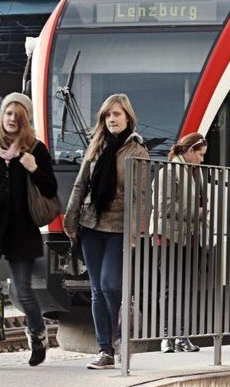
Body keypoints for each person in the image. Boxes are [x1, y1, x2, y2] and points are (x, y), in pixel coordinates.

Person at [0, 93, 58, 370]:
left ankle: (38, 333)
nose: (11, 120)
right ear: (2, 116)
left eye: (17, 116)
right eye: (8, 114)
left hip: (21, 229)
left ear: (25, 120)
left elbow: (50, 189)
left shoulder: (36, 150)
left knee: (23, 290)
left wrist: (33, 168)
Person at [64, 93, 150, 370]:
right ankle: (106, 350)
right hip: (91, 223)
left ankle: (118, 336)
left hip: (119, 227)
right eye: (108, 115)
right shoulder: (96, 146)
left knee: (111, 284)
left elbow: (141, 195)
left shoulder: (137, 150)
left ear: (127, 117)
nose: (112, 119)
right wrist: (71, 219)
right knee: (97, 289)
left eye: (117, 114)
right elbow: (80, 185)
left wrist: (136, 231)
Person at [150, 132, 209, 354]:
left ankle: (181, 336)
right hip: (168, 236)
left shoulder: (195, 174)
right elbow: (164, 206)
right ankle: (167, 336)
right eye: (200, 155)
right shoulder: (169, 172)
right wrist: (198, 213)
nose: (202, 160)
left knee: (185, 287)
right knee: (170, 286)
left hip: (189, 236)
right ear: (190, 151)